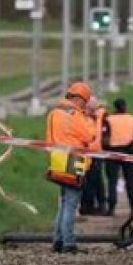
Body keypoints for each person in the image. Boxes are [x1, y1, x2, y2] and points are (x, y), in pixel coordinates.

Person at [46, 82, 98, 253]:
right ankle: (68, 242)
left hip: (58, 160)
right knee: (71, 204)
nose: (85, 104)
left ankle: (58, 240)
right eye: (85, 101)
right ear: (78, 98)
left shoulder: (54, 113)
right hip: (74, 161)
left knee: (63, 203)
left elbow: (49, 139)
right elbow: (89, 136)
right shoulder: (75, 114)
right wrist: (89, 117)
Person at [103, 98, 133, 216]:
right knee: (130, 180)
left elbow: (104, 137)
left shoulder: (108, 119)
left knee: (112, 182)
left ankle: (111, 208)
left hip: (112, 152)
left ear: (115, 107)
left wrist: (104, 150)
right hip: (128, 152)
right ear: (125, 106)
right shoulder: (131, 118)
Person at [80, 99, 109, 215]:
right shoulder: (98, 118)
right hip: (89, 153)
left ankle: (89, 206)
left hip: (93, 153)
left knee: (92, 181)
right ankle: (90, 205)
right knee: (91, 181)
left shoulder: (96, 118)